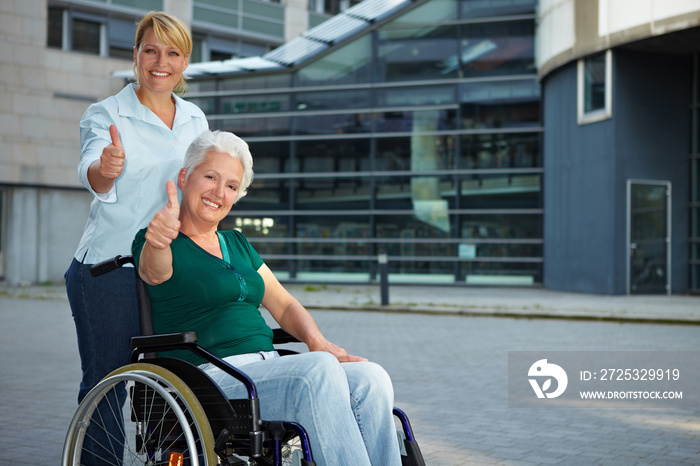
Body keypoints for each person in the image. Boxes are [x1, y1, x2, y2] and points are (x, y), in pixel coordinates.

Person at [132, 130, 403, 466]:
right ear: (185, 177)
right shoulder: (159, 240)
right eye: (211, 177)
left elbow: (285, 304)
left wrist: (316, 341)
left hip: (271, 369)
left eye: (231, 186)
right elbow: (153, 272)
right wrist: (158, 242)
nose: (219, 192)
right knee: (317, 371)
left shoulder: (238, 243)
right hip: (210, 378)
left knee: (371, 378)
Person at [65, 11, 209, 405]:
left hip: (170, 269)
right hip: (109, 271)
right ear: (136, 54)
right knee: (109, 386)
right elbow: (91, 170)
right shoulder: (106, 113)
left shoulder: (196, 118)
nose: (161, 63)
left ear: (184, 62)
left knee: (175, 385)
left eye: (173, 53)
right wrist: (105, 169)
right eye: (151, 51)